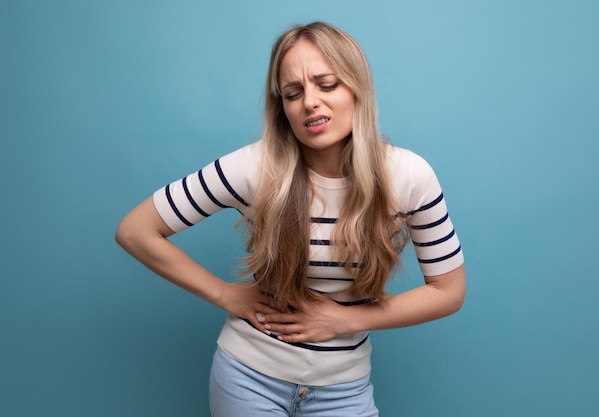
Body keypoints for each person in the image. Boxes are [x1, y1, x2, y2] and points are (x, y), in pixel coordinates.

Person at [115, 21, 465, 417]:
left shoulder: (409, 175)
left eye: (327, 84)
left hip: (344, 389)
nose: (309, 103)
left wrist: (343, 320)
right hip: (247, 379)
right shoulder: (255, 166)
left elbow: (448, 292)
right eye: (293, 93)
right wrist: (223, 293)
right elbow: (136, 230)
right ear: (281, 106)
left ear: (357, 89)